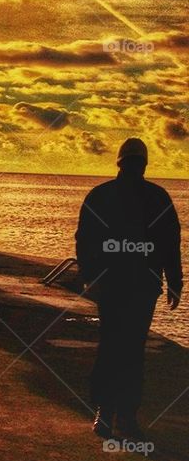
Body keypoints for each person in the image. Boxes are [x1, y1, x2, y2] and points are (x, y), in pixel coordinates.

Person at [75, 137, 182, 441]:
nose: (136, 167)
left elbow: (85, 240)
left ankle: (114, 413)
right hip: (131, 286)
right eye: (134, 162)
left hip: (127, 286)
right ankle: (116, 413)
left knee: (118, 346)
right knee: (127, 348)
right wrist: (174, 281)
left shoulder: (102, 195)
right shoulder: (155, 197)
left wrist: (89, 276)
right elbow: (170, 243)